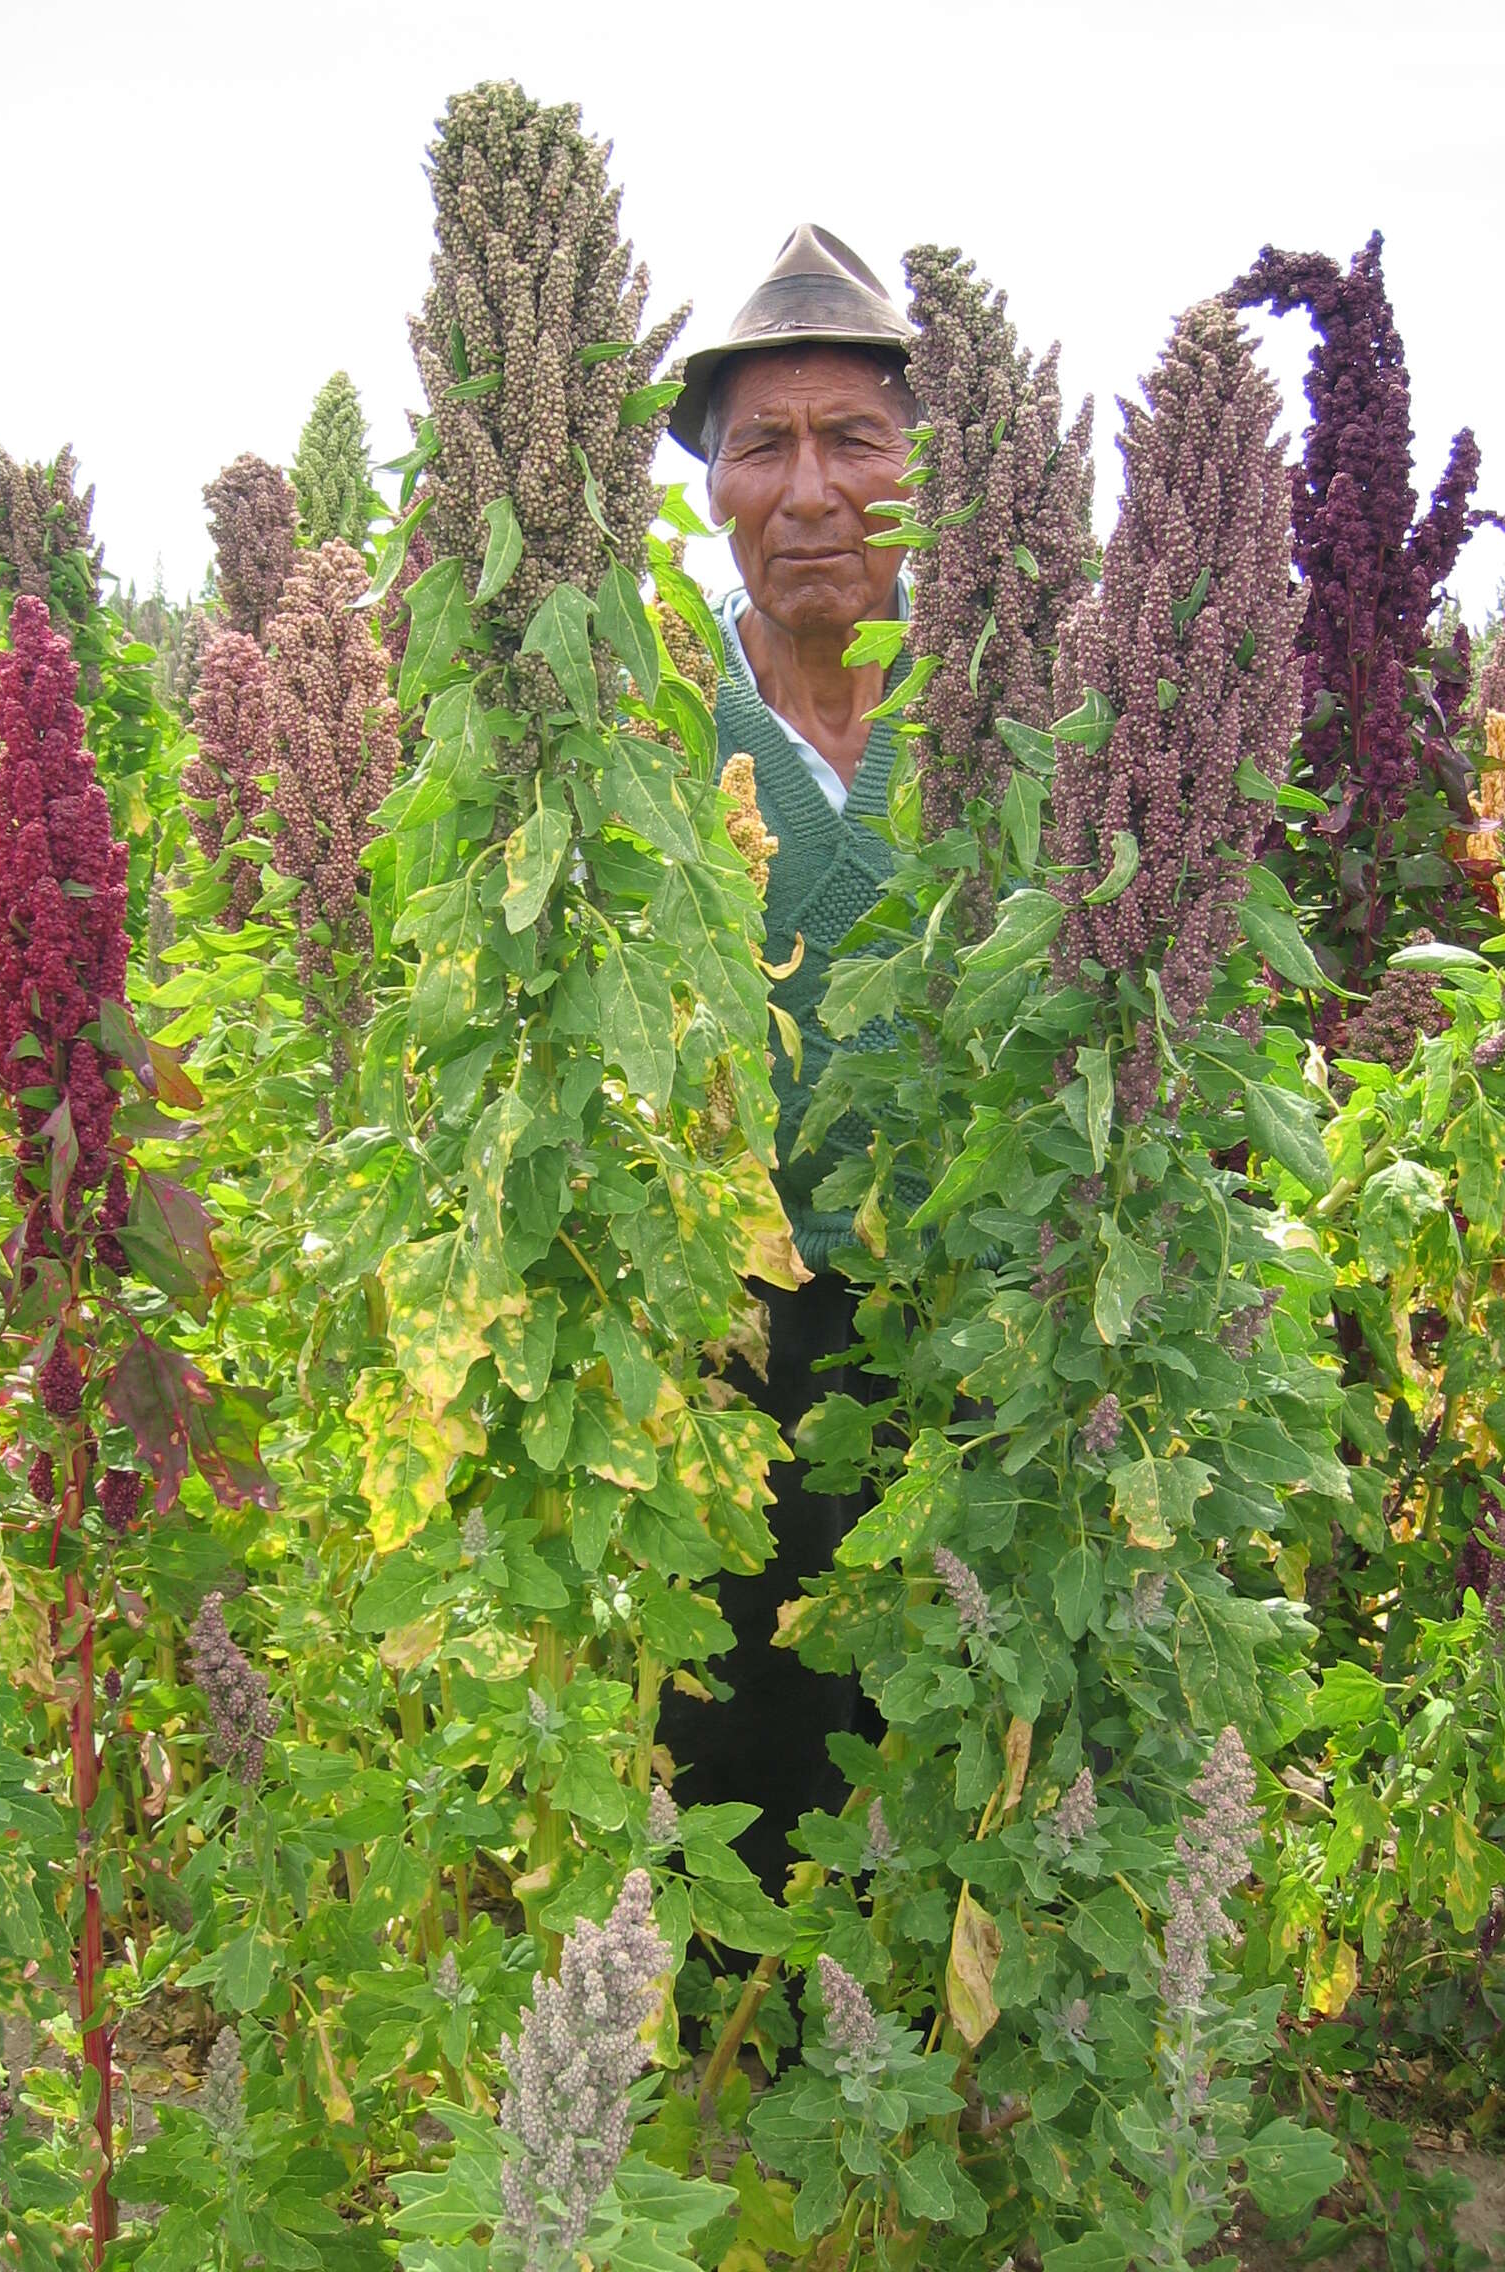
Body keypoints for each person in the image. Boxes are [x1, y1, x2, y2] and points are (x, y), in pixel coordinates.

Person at [659, 226, 916, 1888]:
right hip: (714, 1329)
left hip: (958, 1326)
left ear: (927, 473)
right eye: (765, 445)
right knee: (724, 1740)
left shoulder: (1022, 710)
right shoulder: (661, 719)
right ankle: (711, 2078)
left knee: (938, 1716)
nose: (810, 489)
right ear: (710, 485)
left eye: (855, 440)